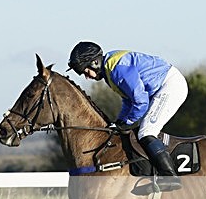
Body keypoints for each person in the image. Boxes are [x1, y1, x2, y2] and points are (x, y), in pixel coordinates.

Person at [67, 41, 188, 191]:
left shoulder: (117, 69)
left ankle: (170, 177)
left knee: (146, 132)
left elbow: (140, 101)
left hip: (170, 86)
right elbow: (128, 100)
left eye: (86, 71)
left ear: (95, 63)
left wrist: (127, 121)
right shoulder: (110, 69)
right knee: (139, 131)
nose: (86, 77)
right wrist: (120, 121)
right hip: (161, 87)